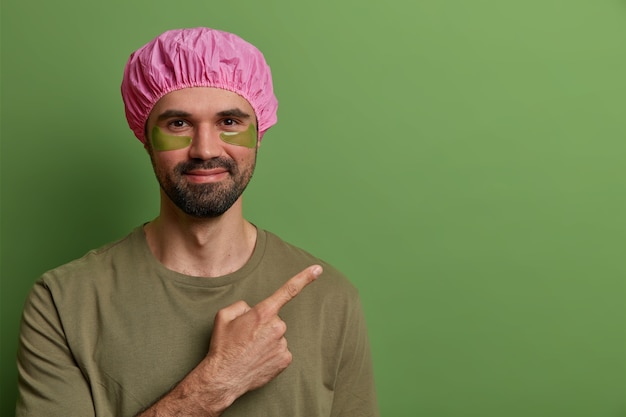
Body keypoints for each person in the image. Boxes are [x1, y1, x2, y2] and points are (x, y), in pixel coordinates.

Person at [15, 27, 379, 417]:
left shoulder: (332, 300)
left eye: (229, 122)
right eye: (178, 124)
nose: (205, 149)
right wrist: (218, 382)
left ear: (259, 135)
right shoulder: (64, 301)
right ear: (145, 136)